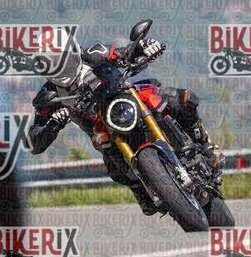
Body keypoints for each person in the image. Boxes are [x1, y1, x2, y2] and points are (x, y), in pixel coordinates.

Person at [29, 36, 224, 215]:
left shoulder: (95, 54)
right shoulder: (48, 96)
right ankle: (141, 189)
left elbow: (124, 53)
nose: (57, 66)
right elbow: (35, 141)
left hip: (126, 98)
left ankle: (204, 143)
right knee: (111, 161)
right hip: (102, 127)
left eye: (58, 59)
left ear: (71, 52)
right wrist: (53, 123)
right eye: (49, 64)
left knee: (178, 99)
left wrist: (145, 47)